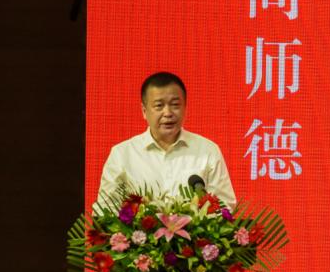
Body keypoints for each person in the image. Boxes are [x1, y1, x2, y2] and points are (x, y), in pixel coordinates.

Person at [97, 71, 236, 208]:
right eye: (159, 106)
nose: (168, 113)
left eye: (175, 105)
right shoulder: (122, 154)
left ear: (185, 108)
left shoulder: (208, 151)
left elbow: (225, 208)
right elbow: (105, 211)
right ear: (144, 111)